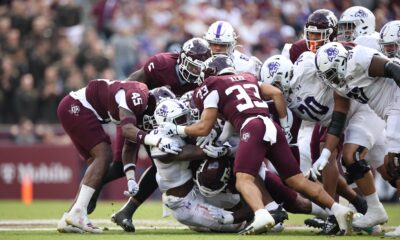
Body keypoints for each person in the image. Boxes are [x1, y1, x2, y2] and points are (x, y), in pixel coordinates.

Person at [159, 54, 354, 235]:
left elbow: (203, 127)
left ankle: (261, 215)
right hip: (270, 124)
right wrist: (285, 126)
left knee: (243, 179)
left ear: (209, 73)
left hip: (252, 127)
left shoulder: (212, 84)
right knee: (298, 181)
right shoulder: (247, 77)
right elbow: (276, 93)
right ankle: (338, 209)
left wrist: (176, 130)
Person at [261, 53, 389, 233]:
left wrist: (327, 151)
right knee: (386, 169)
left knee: (352, 158)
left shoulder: (306, 66)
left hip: (359, 109)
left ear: (287, 75)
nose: (275, 90)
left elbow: (339, 79)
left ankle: (353, 212)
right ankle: (364, 212)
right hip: (338, 123)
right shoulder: (286, 100)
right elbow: (292, 133)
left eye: (276, 84)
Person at [99, 37, 212, 232]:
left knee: (163, 163)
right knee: (119, 167)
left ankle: (125, 211)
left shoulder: (206, 78)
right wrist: (127, 113)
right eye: (192, 67)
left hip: (171, 124)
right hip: (139, 116)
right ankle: (89, 192)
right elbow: (130, 86)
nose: (194, 72)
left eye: (198, 69)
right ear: (182, 59)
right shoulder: (160, 65)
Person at [56, 79, 179, 233]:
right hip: (75, 107)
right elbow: (127, 130)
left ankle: (71, 217)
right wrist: (157, 140)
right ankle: (78, 214)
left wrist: (131, 179)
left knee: (97, 167)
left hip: (73, 108)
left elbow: (129, 147)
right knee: (104, 156)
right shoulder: (138, 96)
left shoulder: (138, 109)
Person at [315, 42, 400, 228]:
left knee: (395, 162)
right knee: (386, 165)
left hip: (397, 104)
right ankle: (375, 210)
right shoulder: (340, 84)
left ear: (342, 63)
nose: (331, 79)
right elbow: (338, 120)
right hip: (387, 112)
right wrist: (326, 153)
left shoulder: (358, 59)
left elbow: (394, 69)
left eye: (331, 73)